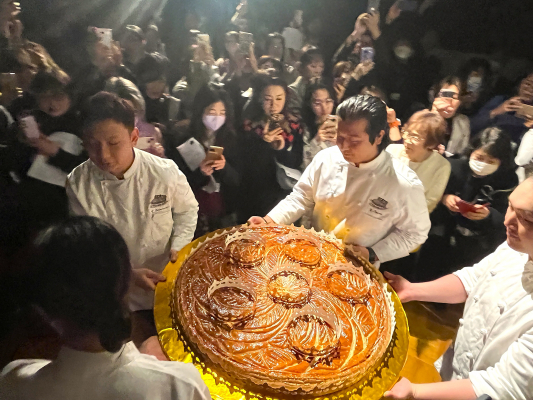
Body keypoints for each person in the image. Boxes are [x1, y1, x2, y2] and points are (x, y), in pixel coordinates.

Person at [0, 216, 211, 400]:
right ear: (126, 284)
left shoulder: (12, 381)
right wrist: (151, 367)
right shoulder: (179, 385)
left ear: (41, 311)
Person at [384, 178, 533, 400]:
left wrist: (415, 391)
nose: (507, 221)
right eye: (510, 207)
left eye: (527, 219)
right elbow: (473, 279)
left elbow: (505, 385)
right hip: (460, 371)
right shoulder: (516, 248)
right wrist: (412, 290)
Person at [249, 95, 430, 264]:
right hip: (313, 254)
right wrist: (269, 221)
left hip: (355, 267)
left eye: (354, 141)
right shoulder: (326, 158)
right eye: (340, 137)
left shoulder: (403, 183)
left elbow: (415, 234)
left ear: (379, 136)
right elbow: (301, 197)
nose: (343, 147)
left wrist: (373, 253)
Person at [66, 92, 198, 313]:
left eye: (113, 143)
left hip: (165, 275)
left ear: (134, 137)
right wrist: (127, 274)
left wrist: (179, 246)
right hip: (115, 283)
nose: (104, 155)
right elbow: (89, 244)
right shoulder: (78, 183)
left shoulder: (163, 172)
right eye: (92, 145)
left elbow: (187, 211)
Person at [416, 127, 518, 282]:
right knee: (428, 268)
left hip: (475, 243)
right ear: (472, 151)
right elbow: (425, 194)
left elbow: (507, 215)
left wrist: (488, 215)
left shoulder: (507, 180)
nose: (483, 164)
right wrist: (444, 197)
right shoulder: (453, 166)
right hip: (440, 231)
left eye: (491, 161)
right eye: (479, 157)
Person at [13, 70, 85, 228]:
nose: (52, 103)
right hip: (31, 205)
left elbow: (86, 169)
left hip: (66, 207)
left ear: (70, 95)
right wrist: (25, 144)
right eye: (44, 97)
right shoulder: (32, 122)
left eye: (58, 96)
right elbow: (17, 167)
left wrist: (55, 152)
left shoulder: (83, 125)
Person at [165, 84, 240, 237]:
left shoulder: (229, 137)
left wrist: (224, 167)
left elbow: (237, 180)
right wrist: (200, 173)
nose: (217, 118)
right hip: (193, 208)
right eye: (212, 112)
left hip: (222, 210)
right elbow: (177, 180)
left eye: (222, 113)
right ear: (200, 111)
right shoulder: (182, 137)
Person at [237, 77, 304, 222]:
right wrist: (264, 144)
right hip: (256, 193)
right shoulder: (250, 126)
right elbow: (247, 165)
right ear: (260, 99)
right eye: (268, 99)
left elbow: (297, 161)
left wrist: (281, 149)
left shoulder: (294, 124)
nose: (274, 105)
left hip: (284, 193)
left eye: (279, 98)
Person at [387, 110, 451, 214]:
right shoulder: (391, 150)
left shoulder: (441, 166)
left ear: (431, 143)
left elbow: (429, 203)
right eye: (406, 132)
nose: (407, 140)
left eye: (415, 137)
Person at [104, 77, 165, 158]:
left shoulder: (152, 132)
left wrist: (158, 157)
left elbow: (165, 163)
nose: (130, 118)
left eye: (134, 111)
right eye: (123, 113)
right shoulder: (101, 136)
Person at [470, 71, 533, 143]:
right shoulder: (500, 100)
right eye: (528, 84)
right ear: (520, 83)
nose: (530, 89)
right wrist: (497, 111)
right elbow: (472, 126)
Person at [431, 76, 471, 158]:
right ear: (435, 97)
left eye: (454, 97)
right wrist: (434, 115)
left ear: (459, 102)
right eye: (445, 95)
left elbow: (462, 151)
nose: (449, 100)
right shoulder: (422, 116)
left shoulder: (463, 121)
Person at [301, 82, 337, 168]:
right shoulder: (305, 129)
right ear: (309, 104)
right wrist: (316, 140)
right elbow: (306, 166)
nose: (324, 108)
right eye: (317, 103)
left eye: (328, 101)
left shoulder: (343, 122)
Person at [287, 48, 324, 117]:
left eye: (321, 66)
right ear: (302, 67)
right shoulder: (293, 90)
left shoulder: (324, 87)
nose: (318, 70)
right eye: (313, 66)